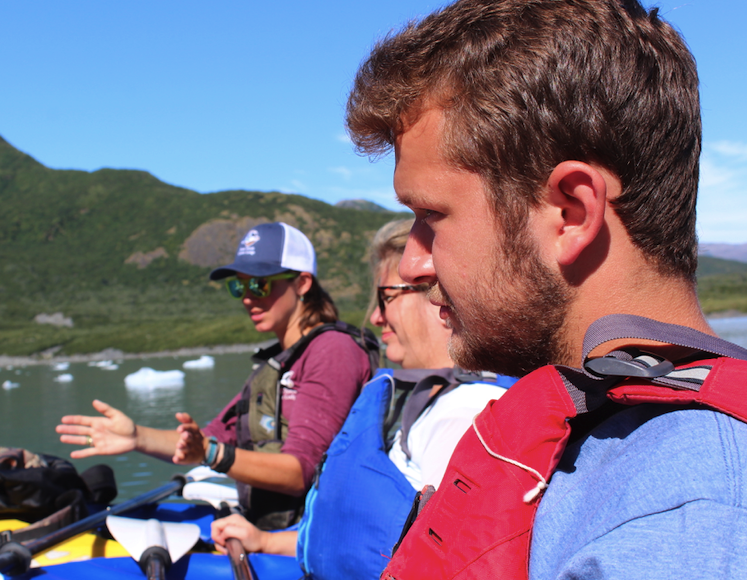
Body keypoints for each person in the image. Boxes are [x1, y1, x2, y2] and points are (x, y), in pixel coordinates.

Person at [344, 1, 747, 579]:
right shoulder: (603, 440)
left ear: (571, 212)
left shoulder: (689, 518)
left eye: (431, 214)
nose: (412, 262)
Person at [210, 219, 514, 579]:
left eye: (386, 298)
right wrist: (265, 541)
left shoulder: (460, 420)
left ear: (440, 296)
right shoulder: (431, 408)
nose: (375, 316)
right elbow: (368, 539)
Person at [57, 222, 376, 530]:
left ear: (302, 283)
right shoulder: (276, 366)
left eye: (259, 283)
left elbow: (298, 472)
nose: (248, 297)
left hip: (311, 542)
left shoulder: (333, 351)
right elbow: (205, 440)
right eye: (238, 286)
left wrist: (212, 455)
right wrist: (136, 437)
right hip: (273, 530)